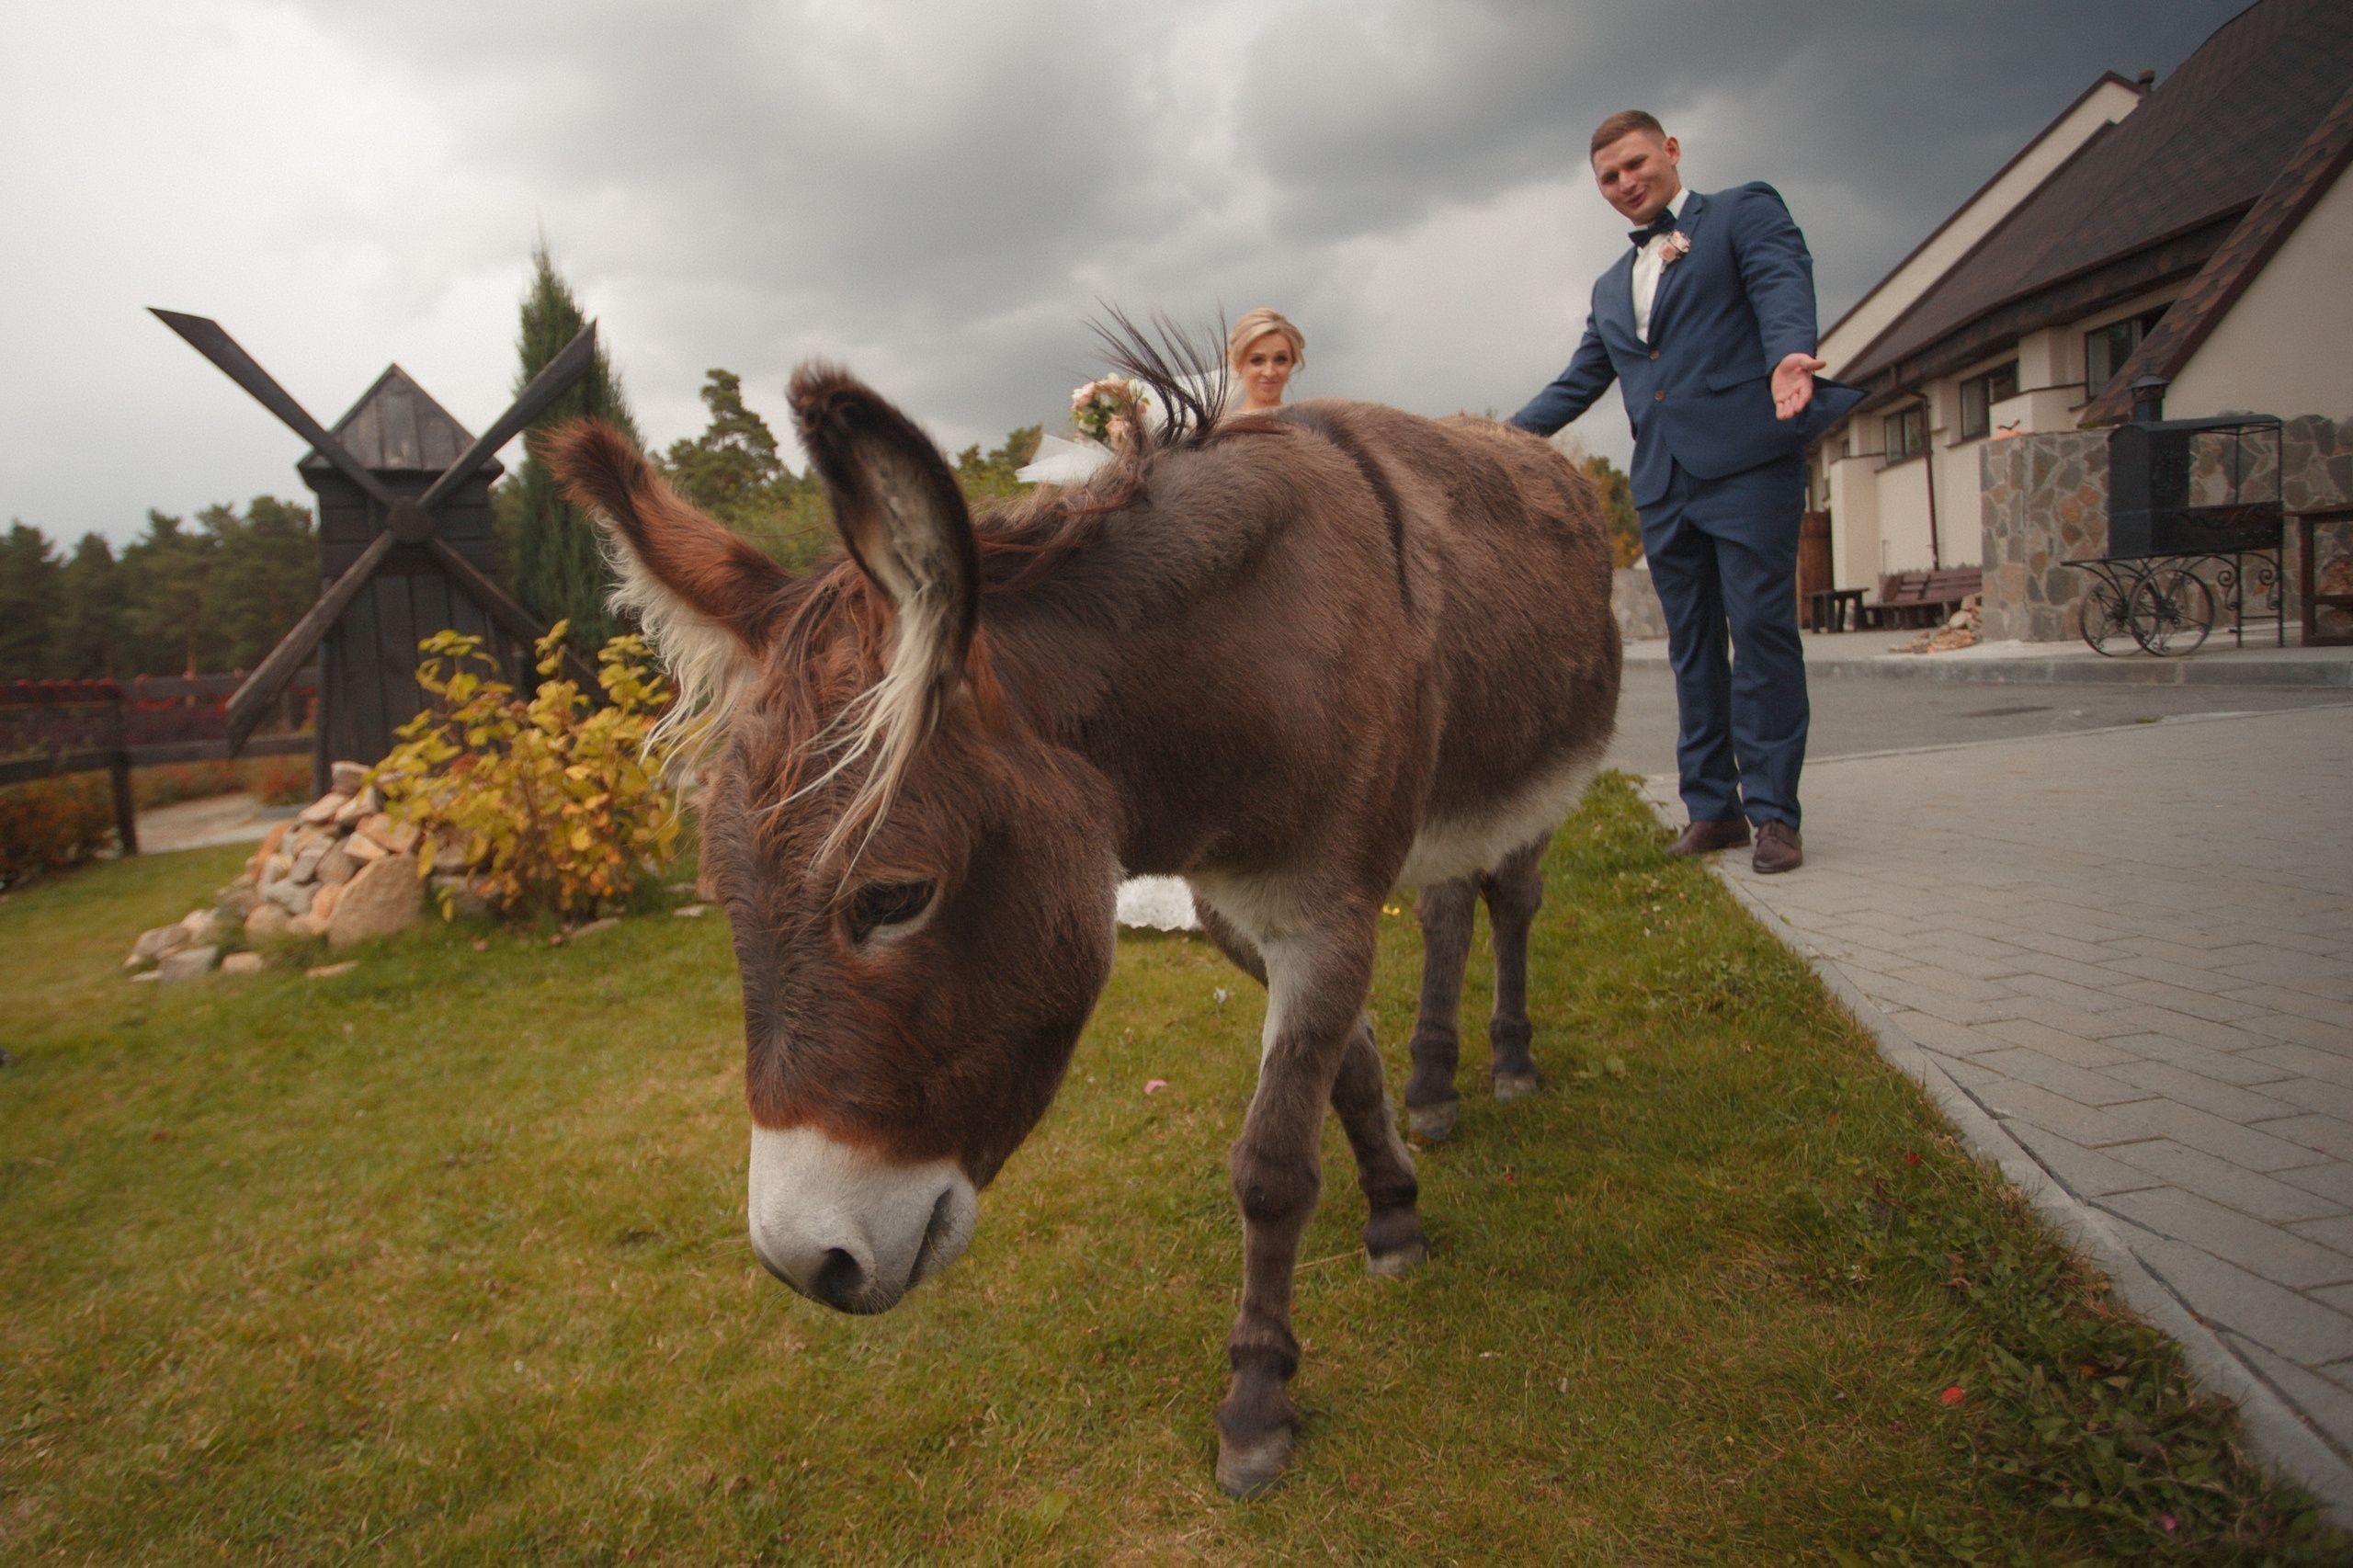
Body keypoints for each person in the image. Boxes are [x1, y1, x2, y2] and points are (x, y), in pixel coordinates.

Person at [1509, 110, 1860, 874]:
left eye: (1636, 164)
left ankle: (1774, 813)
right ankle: (1713, 809)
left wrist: (1791, 353)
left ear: (1670, 151)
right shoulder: (1610, 287)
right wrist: (1491, 442)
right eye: (1609, 177)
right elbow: (1579, 383)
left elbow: (1778, 280)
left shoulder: (1740, 212)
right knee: (1691, 649)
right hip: (1664, 485)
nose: (1627, 182)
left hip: (1745, 463)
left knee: (1762, 633)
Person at [1226, 308, 1304, 414]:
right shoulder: (1218, 429)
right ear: (1237, 363)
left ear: (1292, 362)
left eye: (1280, 359)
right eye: (1257, 360)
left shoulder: (1309, 427)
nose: (1269, 372)